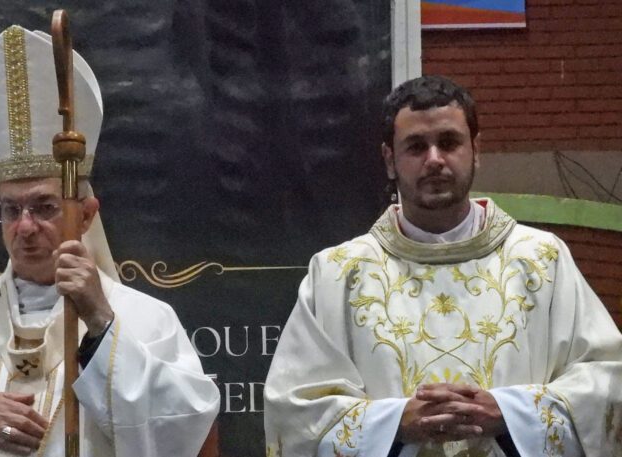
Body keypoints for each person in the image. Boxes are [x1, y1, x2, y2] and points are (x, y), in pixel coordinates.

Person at [0, 25, 220, 457]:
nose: (25, 227)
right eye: (11, 209)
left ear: (86, 215)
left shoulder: (145, 319)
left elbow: (184, 429)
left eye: (44, 207)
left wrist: (101, 323)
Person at [263, 75, 622, 456]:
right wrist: (394, 425)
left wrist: (511, 414)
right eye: (416, 146)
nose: (434, 159)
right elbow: (295, 413)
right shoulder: (338, 274)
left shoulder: (542, 261)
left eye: (449, 143)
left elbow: (606, 385)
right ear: (390, 159)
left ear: (476, 150)